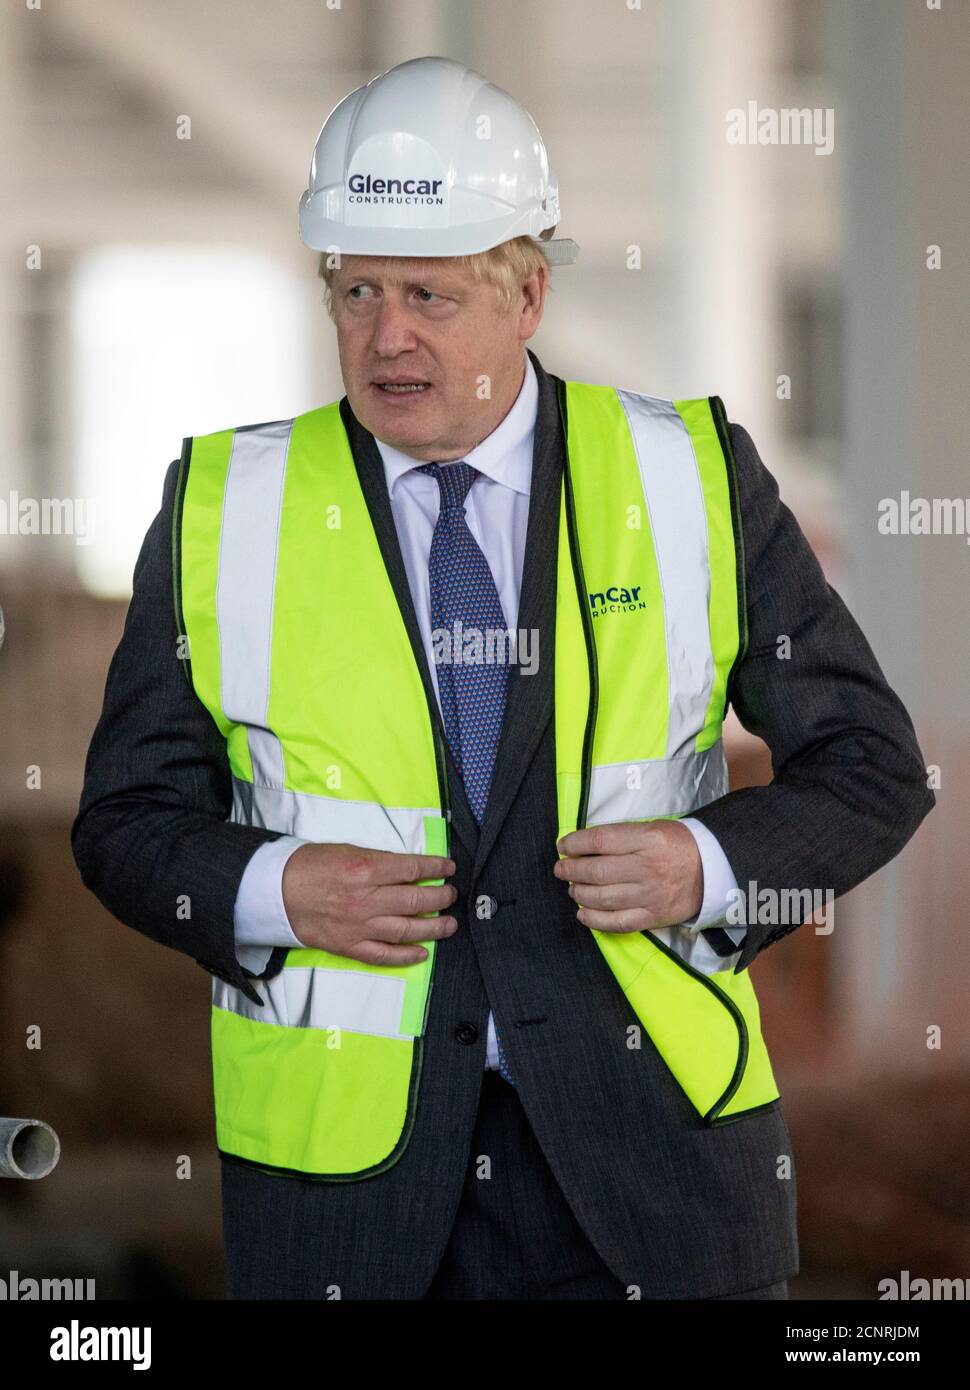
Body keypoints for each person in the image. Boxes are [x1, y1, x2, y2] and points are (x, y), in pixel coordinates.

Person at [72, 56, 934, 1301]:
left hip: (657, 1178)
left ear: (527, 293)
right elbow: (122, 824)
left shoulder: (690, 480)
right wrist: (276, 886)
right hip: (347, 1206)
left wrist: (708, 866)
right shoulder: (222, 506)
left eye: (427, 291)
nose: (386, 336)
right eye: (355, 290)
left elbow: (870, 767)